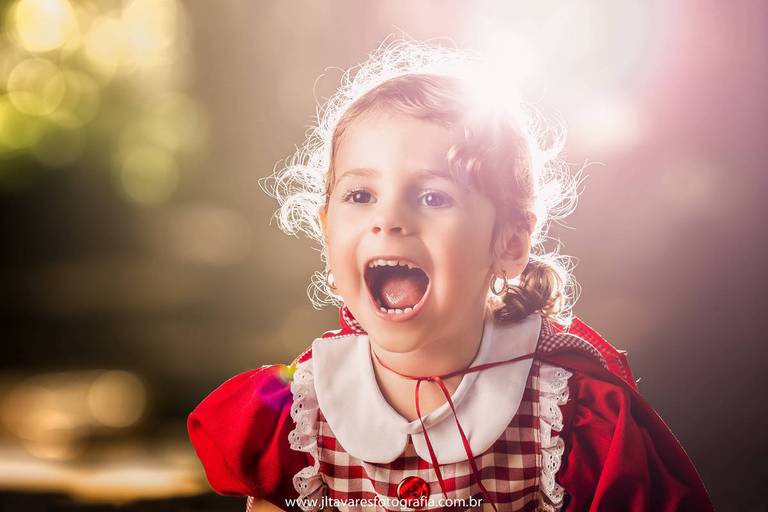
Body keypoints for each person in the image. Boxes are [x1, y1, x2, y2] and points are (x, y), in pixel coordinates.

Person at [188, 41, 713, 511]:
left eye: (432, 196)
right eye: (360, 195)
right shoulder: (301, 408)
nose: (389, 219)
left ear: (509, 243)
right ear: (327, 234)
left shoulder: (567, 414)